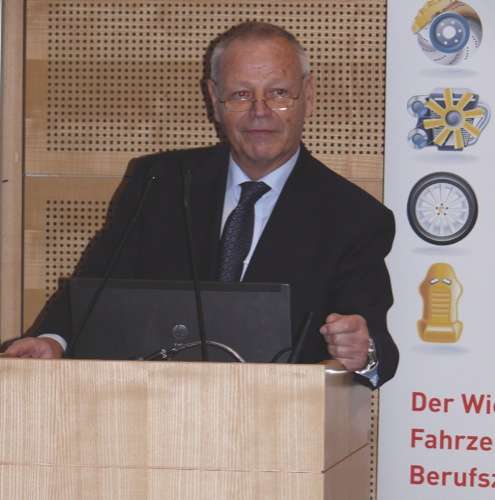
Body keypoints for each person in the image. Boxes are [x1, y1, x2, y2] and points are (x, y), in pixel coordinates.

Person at [4, 22, 398, 387]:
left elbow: (378, 347)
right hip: (152, 414)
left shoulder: (354, 217)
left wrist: (363, 352)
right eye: (241, 94)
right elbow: (97, 287)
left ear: (308, 96)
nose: (260, 111)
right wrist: (53, 340)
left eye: (279, 93)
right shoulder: (158, 183)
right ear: (214, 99)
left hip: (280, 426)